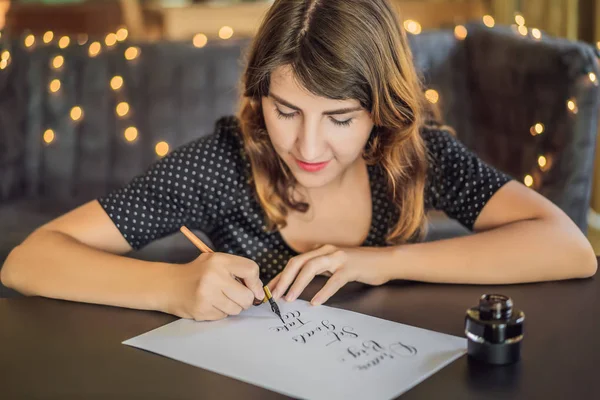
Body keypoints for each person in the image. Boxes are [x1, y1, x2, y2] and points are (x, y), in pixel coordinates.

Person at [1, 0, 596, 321]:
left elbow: (569, 248)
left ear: (380, 113)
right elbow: (28, 261)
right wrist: (170, 286)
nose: (308, 149)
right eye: (287, 111)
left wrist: (383, 262)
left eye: (339, 119)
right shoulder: (221, 164)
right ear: (259, 96)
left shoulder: (419, 156)